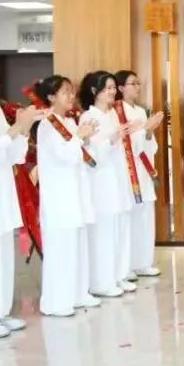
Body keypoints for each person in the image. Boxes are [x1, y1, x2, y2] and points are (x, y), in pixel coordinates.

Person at [35, 75, 100, 317]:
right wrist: (79, 137)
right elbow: (63, 156)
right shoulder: (47, 124)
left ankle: (78, 293)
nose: (71, 96)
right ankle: (56, 302)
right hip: (59, 196)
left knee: (77, 244)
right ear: (51, 97)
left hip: (76, 192)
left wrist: (86, 138)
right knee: (61, 249)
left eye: (72, 91)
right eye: (65, 92)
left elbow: (80, 154)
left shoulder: (70, 122)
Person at [79, 71, 137, 299]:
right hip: (101, 182)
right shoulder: (88, 118)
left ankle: (118, 275)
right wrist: (111, 140)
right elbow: (90, 156)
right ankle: (102, 282)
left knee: (119, 228)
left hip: (118, 179)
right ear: (95, 91)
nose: (113, 92)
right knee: (103, 233)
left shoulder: (113, 114)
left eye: (114, 87)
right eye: (108, 88)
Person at [0, 72, 44, 337]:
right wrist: (15, 129)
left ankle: (1, 312)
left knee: (4, 255)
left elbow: (14, 155)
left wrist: (24, 129)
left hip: (2, 191)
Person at [114, 70, 165, 278]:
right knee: (131, 219)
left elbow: (149, 146)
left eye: (138, 83)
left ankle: (143, 262)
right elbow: (124, 144)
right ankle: (126, 267)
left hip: (143, 170)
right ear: (121, 88)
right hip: (128, 171)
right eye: (132, 83)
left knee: (145, 218)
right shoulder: (117, 112)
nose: (137, 87)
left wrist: (149, 130)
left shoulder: (141, 111)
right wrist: (145, 130)